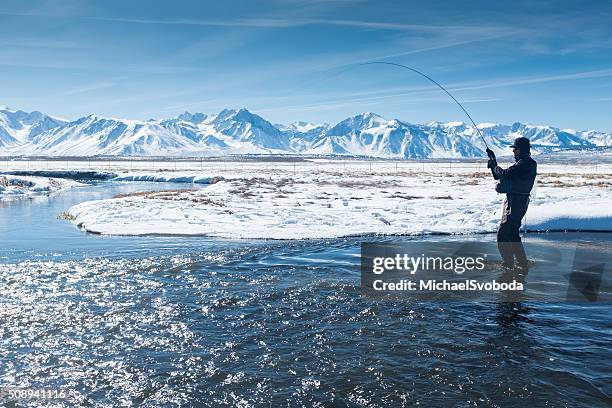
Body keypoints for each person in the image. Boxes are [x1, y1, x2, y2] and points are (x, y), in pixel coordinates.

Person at [486, 137, 537, 269]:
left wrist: (494, 165)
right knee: (513, 234)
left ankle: (508, 265)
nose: (513, 152)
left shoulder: (525, 163)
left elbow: (505, 174)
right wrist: (493, 163)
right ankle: (522, 263)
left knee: (503, 234)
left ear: (521, 150)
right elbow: (499, 176)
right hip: (517, 202)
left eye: (515, 149)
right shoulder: (525, 163)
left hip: (516, 203)